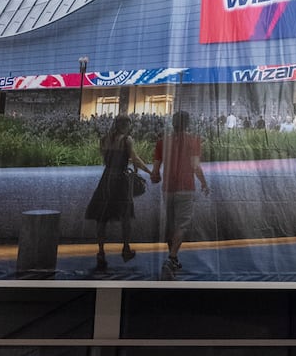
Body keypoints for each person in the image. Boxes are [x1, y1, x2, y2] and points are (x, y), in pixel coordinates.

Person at [84, 114, 150, 271]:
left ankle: (100, 252)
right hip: (120, 180)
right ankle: (126, 248)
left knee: (102, 217)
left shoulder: (104, 139)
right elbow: (135, 158)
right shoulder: (127, 139)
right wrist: (150, 171)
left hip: (106, 180)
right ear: (126, 125)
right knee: (125, 215)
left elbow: (105, 158)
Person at [151, 110, 209, 276]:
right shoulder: (194, 141)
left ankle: (173, 260)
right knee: (181, 225)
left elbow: (155, 170)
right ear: (188, 124)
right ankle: (172, 257)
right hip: (186, 188)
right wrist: (204, 183)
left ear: (173, 123)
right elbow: (195, 166)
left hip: (168, 189)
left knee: (170, 224)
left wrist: (155, 176)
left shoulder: (162, 142)